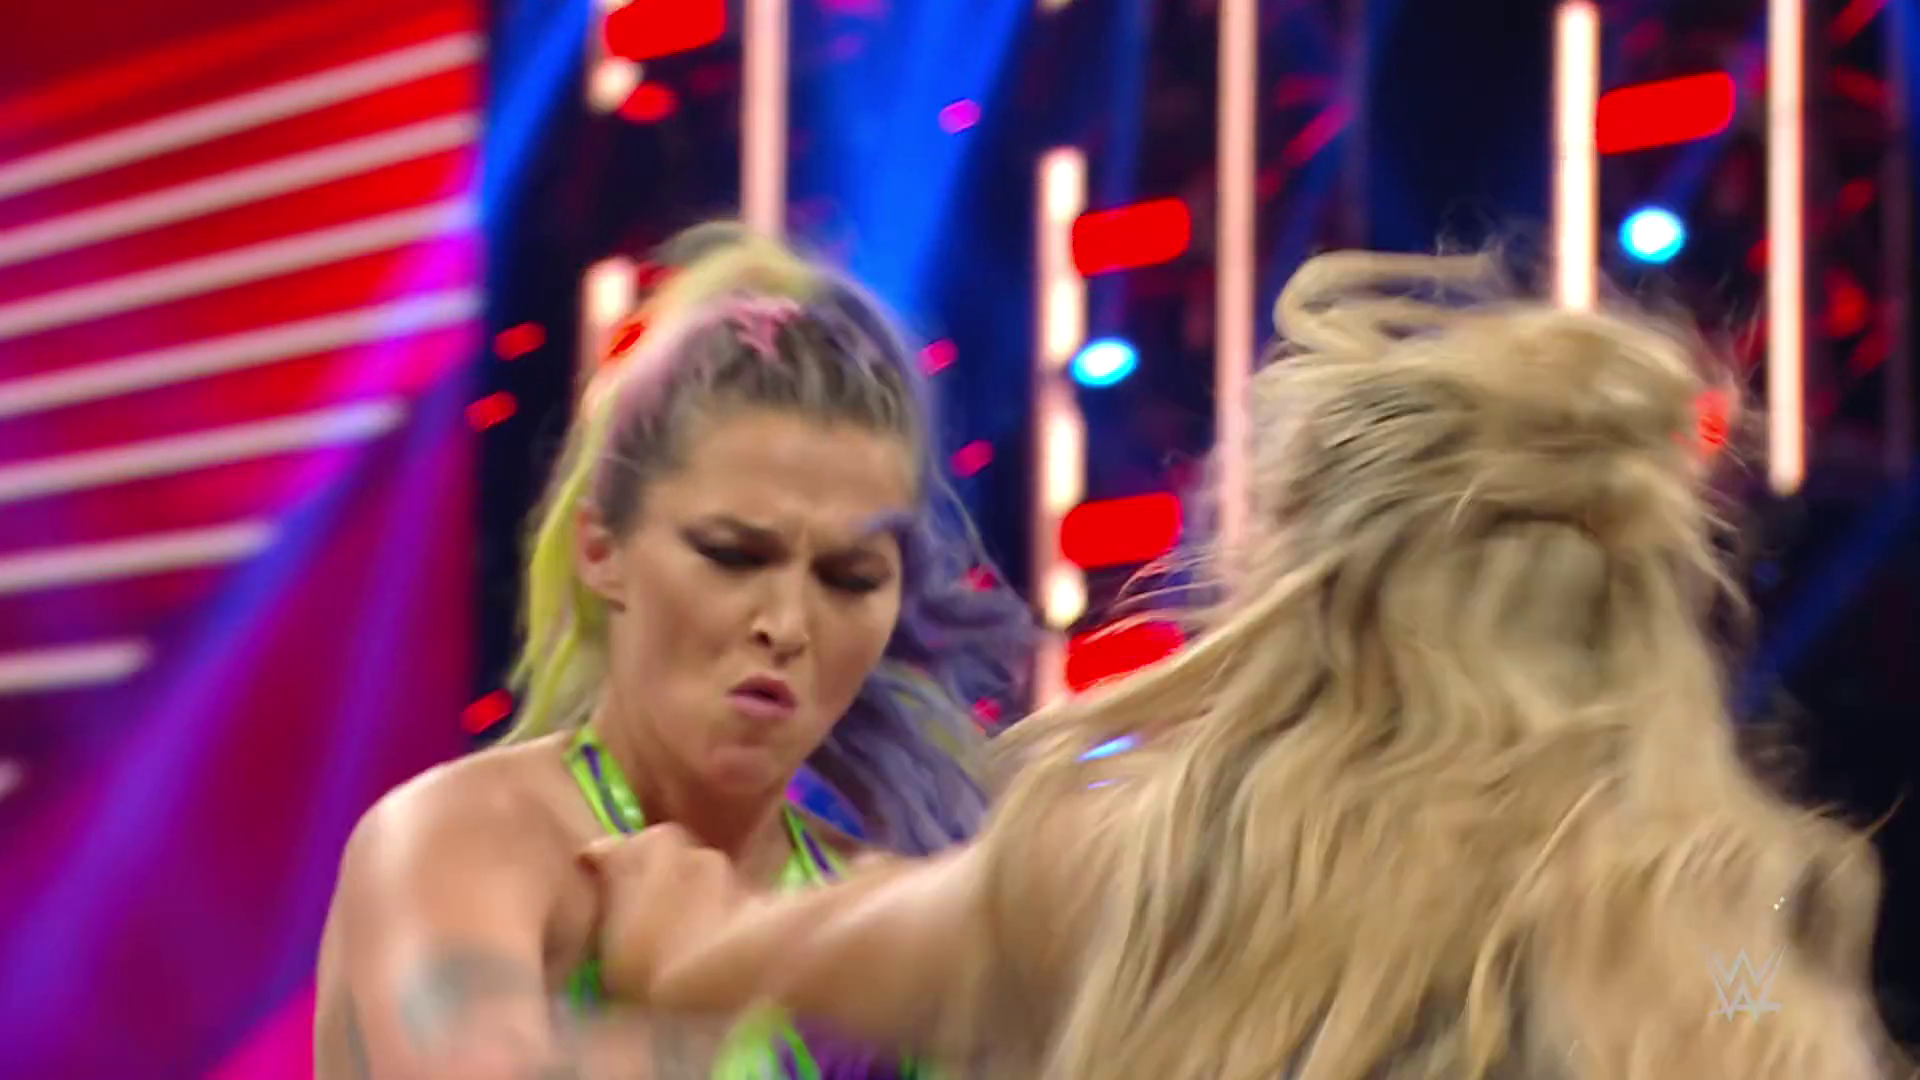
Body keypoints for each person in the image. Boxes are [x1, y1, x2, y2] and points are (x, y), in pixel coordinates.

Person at [587, 251, 1900, 1079]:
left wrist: (663, 901)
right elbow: (1756, 1005)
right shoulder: (1714, 928)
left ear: (1305, 577)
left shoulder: (1153, 869)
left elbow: (724, 958)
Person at [312, 225, 1029, 1079]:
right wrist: (712, 984)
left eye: (849, 578)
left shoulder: (870, 909)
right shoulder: (455, 839)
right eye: (733, 555)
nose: (788, 624)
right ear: (601, 550)